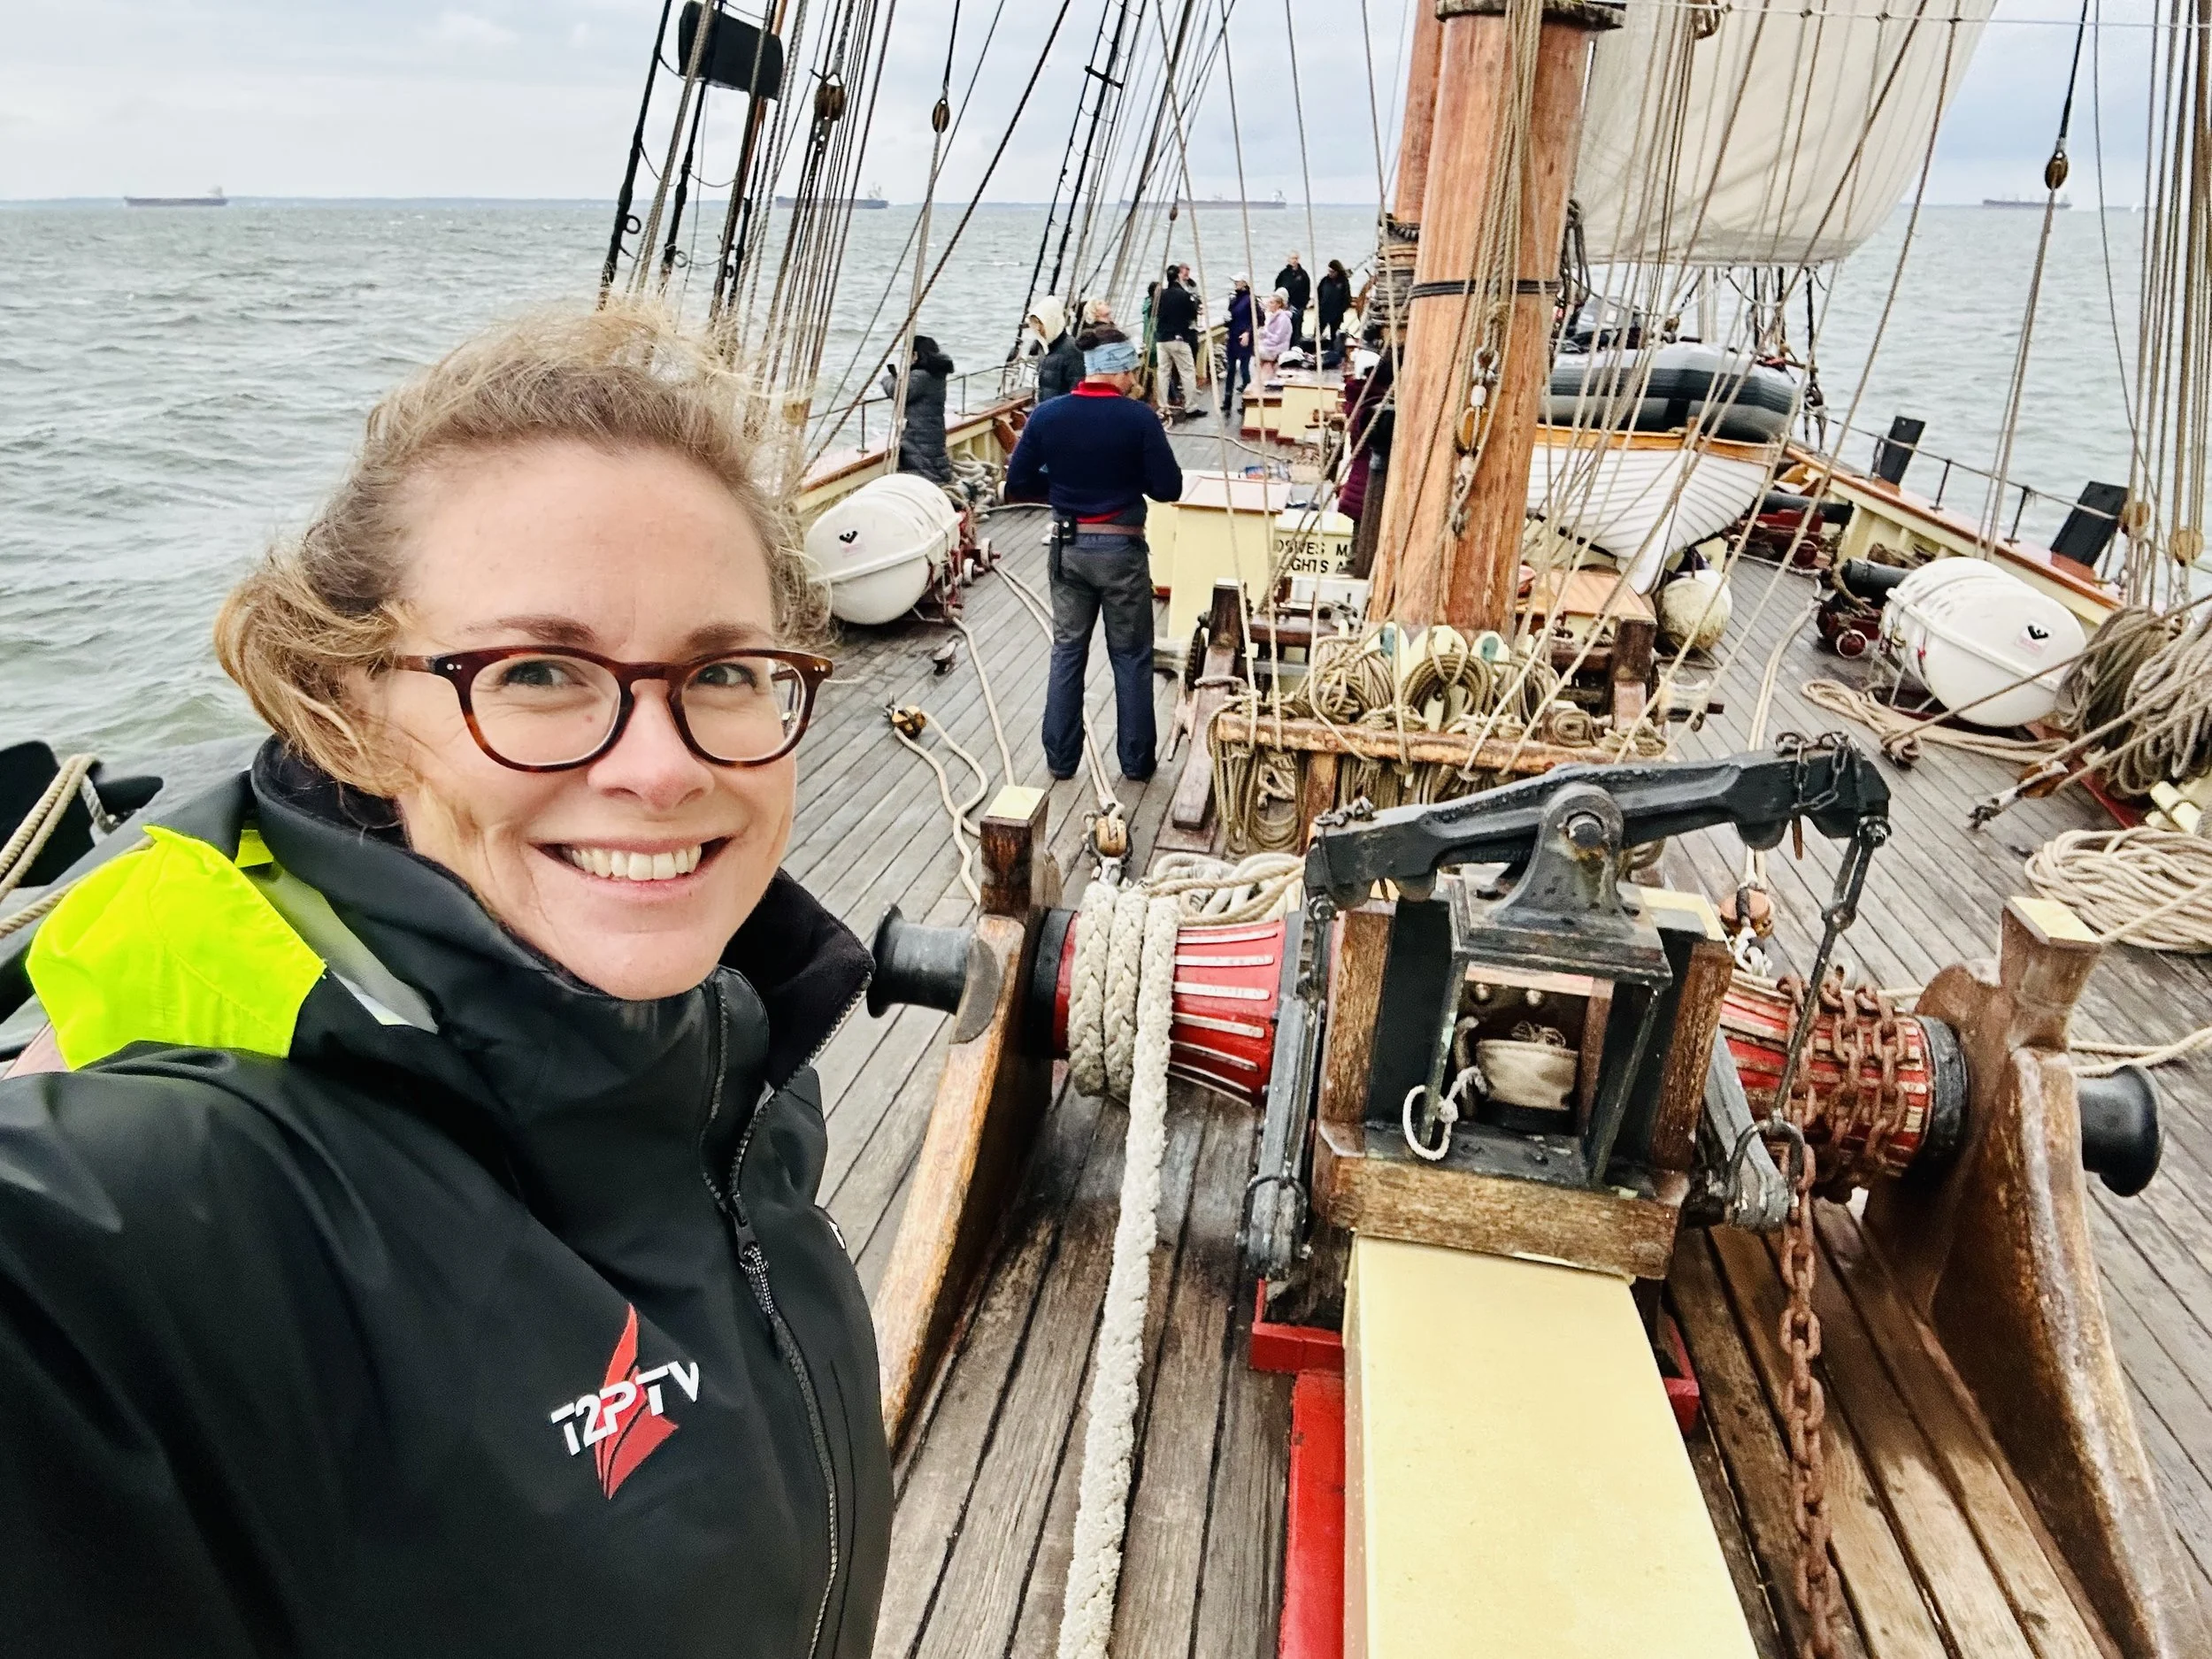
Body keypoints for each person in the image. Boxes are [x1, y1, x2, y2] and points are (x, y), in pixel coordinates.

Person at [0, 304, 891, 1655]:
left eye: (721, 670)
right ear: (350, 711)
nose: (661, 767)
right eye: (537, 670)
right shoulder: (210, 1199)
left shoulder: (731, 1062)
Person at [1002, 327, 1182, 781]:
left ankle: (1061, 762)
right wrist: (1130, 479)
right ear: (1117, 369)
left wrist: (1063, 489)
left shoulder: (1047, 416)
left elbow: (1016, 483)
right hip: (1122, 551)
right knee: (1131, 656)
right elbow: (1169, 488)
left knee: (1067, 651)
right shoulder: (1139, 419)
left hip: (1068, 549)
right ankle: (1136, 764)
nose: (1134, 378)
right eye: (1131, 370)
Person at [879, 333, 956, 481]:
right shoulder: (936, 375)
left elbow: (899, 392)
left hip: (919, 437)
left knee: (924, 472)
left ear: (915, 355)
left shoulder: (921, 377)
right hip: (931, 433)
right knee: (934, 466)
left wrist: (887, 379)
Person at [1151, 264, 1199, 416]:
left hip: (1161, 340)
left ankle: (1163, 406)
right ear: (1178, 276)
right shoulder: (1184, 295)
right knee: (1187, 371)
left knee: (1163, 372)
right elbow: (1192, 315)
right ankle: (1191, 407)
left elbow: (1154, 312)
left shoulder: (1161, 295)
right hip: (1178, 338)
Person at [1028, 295, 1086, 402]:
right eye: (1035, 323)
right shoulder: (1043, 347)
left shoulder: (1072, 349)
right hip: (1046, 406)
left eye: (1041, 323)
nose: (1038, 328)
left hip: (1062, 409)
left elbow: (1077, 388)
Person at [1222, 273, 1255, 413]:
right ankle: (1227, 401)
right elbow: (1232, 317)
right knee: (1230, 369)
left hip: (1244, 339)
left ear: (1245, 283)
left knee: (1244, 369)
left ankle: (1248, 401)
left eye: (1238, 281)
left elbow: (1258, 319)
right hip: (1233, 338)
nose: (1235, 283)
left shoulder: (1250, 300)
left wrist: (1248, 332)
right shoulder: (1234, 299)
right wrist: (1227, 322)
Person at [1317, 259, 1352, 364]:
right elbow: (1318, 294)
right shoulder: (1324, 280)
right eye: (1329, 271)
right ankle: (1316, 350)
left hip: (1336, 313)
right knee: (1318, 333)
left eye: (1332, 272)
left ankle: (1333, 355)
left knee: (1334, 335)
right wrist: (1319, 307)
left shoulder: (1343, 282)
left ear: (1337, 271)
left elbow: (1347, 298)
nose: (1330, 273)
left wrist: (1341, 310)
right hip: (1323, 312)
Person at [1274, 251, 1312, 348]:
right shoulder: (1283, 274)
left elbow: (1307, 290)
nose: (1294, 261)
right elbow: (1277, 288)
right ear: (1288, 260)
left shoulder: (1303, 274)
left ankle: (1296, 347)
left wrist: (1304, 305)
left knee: (1297, 328)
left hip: (1298, 306)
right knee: (1284, 327)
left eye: (1296, 258)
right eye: (1292, 258)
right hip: (1285, 305)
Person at [1256, 288, 1294, 383]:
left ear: (1279, 304)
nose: (1268, 304)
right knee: (1256, 349)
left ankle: (1265, 380)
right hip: (1271, 346)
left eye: (1271, 303)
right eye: (1269, 302)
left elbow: (1278, 339)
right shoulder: (1271, 316)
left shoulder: (1283, 319)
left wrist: (1265, 333)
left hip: (1278, 348)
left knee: (1258, 351)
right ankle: (1261, 380)